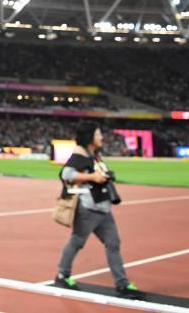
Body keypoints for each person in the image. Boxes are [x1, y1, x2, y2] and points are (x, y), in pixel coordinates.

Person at [54, 123, 141, 299]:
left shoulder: (94, 155)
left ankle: (122, 284)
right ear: (90, 137)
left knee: (113, 243)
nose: (101, 137)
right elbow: (66, 174)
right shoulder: (80, 154)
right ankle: (62, 275)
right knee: (77, 241)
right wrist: (92, 177)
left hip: (103, 207)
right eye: (98, 134)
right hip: (87, 208)